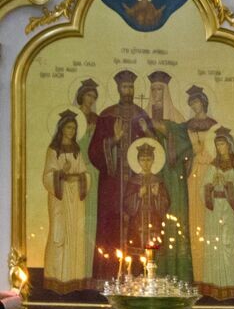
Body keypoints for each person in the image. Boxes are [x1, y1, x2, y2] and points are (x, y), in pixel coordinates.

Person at [89, 69, 153, 279]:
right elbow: (94, 151)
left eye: (131, 87)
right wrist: (114, 140)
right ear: (118, 88)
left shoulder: (141, 115)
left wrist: (148, 132)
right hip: (112, 184)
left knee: (136, 226)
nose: (128, 90)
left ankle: (137, 276)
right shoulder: (107, 116)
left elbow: (154, 149)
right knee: (110, 227)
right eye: (125, 87)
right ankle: (108, 276)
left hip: (136, 184)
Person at [147, 71, 193, 280]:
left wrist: (166, 130)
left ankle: (176, 275)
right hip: (152, 177)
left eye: (160, 89)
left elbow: (187, 149)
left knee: (174, 224)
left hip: (173, 179)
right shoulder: (144, 116)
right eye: (153, 89)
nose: (156, 93)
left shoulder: (177, 118)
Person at [42, 110, 90, 293]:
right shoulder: (53, 150)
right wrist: (61, 173)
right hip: (60, 198)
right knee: (59, 234)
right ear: (62, 128)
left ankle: (73, 279)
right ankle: (56, 279)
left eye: (74, 128)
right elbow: (47, 175)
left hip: (76, 197)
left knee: (75, 235)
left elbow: (85, 173)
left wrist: (80, 177)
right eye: (69, 127)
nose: (71, 131)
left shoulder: (77, 150)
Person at [199, 128, 234, 300]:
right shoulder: (213, 166)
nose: (220, 148)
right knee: (214, 244)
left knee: (227, 244)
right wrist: (211, 186)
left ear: (229, 145)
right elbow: (203, 186)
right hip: (214, 209)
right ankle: (213, 287)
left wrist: (227, 185)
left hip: (228, 208)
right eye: (217, 144)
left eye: (222, 144)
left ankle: (230, 287)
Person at [184, 85, 218, 279]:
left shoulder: (213, 125)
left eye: (197, 102)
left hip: (210, 171)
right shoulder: (187, 125)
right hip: (193, 173)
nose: (195, 105)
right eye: (191, 103)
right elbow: (185, 151)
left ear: (203, 102)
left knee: (208, 219)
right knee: (194, 216)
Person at [75, 78, 101, 273]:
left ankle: (87, 269)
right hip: (75, 169)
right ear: (81, 96)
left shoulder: (96, 119)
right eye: (88, 95)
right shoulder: (72, 117)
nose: (90, 100)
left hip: (92, 169)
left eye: (93, 96)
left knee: (90, 218)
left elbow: (101, 145)